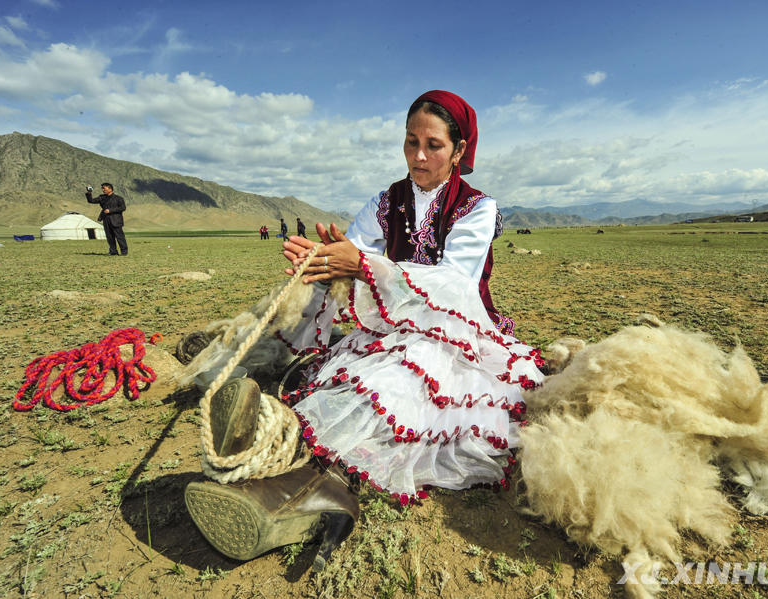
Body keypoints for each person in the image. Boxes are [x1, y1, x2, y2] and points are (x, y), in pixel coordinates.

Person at [186, 91, 543, 569]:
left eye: (433, 145)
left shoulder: (476, 208)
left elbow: (455, 283)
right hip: (394, 326)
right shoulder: (387, 200)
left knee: (392, 386)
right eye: (410, 141)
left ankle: (310, 488)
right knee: (348, 375)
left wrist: (365, 265)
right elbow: (352, 249)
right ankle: (276, 459)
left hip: (453, 336)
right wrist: (323, 258)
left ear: (459, 151)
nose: (419, 155)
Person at [85, 183, 128, 256]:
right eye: (102, 188)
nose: (102, 190)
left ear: (110, 189)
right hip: (106, 219)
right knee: (109, 236)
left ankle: (124, 252)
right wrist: (89, 193)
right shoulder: (102, 197)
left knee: (119, 236)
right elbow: (91, 200)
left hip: (116, 220)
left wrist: (110, 210)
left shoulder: (118, 198)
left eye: (104, 188)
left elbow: (123, 208)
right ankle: (113, 251)